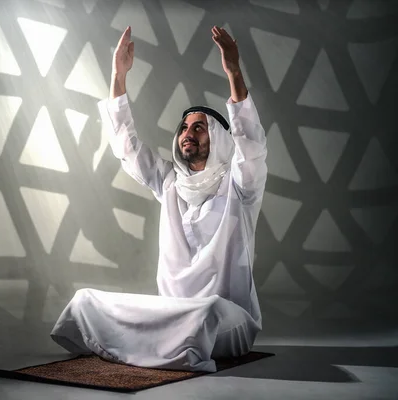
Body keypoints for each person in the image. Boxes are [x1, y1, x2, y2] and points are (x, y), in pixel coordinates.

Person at [51, 25, 268, 372]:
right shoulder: (169, 182)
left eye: (199, 127)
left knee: (207, 311)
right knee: (85, 301)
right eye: (184, 127)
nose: (187, 133)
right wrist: (118, 76)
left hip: (228, 319)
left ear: (219, 139)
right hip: (173, 313)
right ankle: (162, 343)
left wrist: (234, 73)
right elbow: (127, 146)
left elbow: (252, 146)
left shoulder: (240, 185)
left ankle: (146, 345)